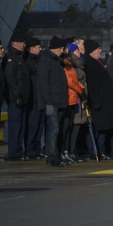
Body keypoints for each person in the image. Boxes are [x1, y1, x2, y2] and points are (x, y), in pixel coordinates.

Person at [83, 39, 113, 159]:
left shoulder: (97, 62)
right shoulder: (90, 64)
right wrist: (96, 101)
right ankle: (94, 150)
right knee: (97, 128)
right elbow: (93, 85)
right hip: (98, 102)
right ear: (91, 51)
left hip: (104, 101)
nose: (100, 51)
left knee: (103, 128)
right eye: (98, 49)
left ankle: (101, 150)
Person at [37, 37, 68, 167]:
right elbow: (43, 82)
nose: (62, 51)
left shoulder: (56, 61)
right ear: (57, 48)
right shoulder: (46, 60)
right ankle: (52, 155)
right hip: (52, 101)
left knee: (56, 128)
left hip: (58, 100)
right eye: (61, 49)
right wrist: (47, 101)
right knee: (53, 128)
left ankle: (55, 154)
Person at [3, 34, 30, 160]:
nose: (24, 45)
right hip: (15, 98)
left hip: (22, 97)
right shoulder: (11, 58)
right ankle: (14, 152)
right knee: (15, 126)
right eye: (22, 42)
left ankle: (19, 150)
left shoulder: (19, 57)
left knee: (21, 126)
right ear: (16, 44)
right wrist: (16, 95)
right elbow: (10, 79)